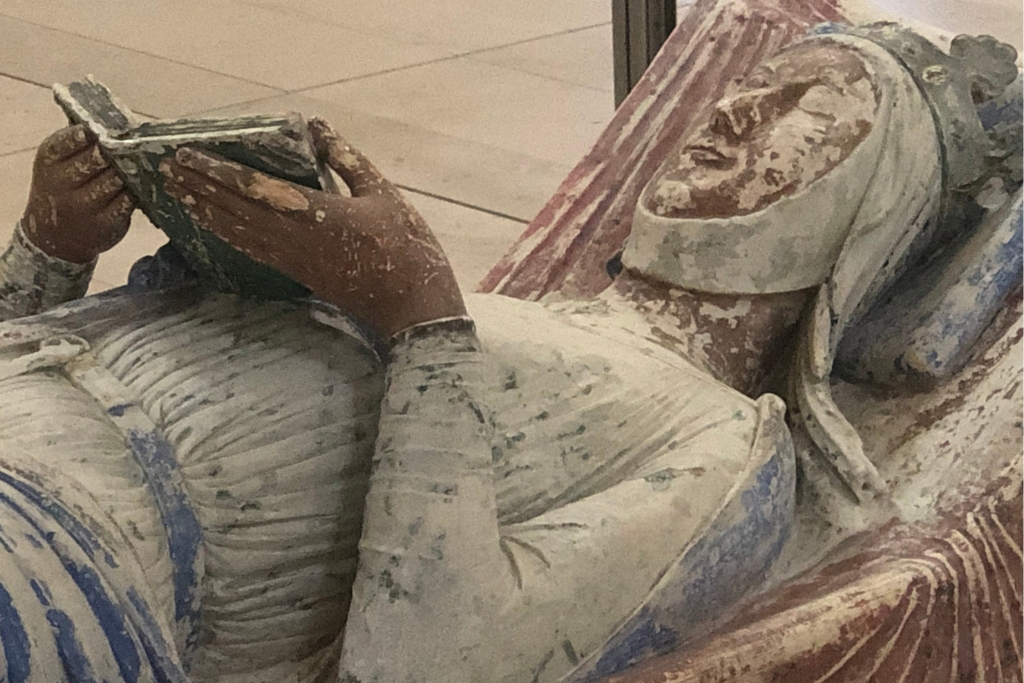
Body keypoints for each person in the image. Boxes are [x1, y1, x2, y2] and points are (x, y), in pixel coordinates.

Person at [0, 23, 1016, 683]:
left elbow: (439, 659)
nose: (733, 114)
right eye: (747, 92)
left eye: (806, 110)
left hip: (68, 563)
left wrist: (421, 319)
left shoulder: (723, 450)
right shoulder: (552, 317)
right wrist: (49, 250)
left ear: (869, 223)